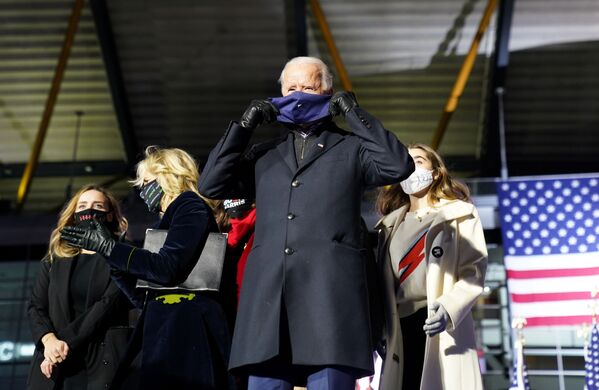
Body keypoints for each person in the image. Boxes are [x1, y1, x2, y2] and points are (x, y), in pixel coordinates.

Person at [198, 56, 414, 390]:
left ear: (327, 91)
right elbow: (211, 184)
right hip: (270, 304)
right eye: (291, 88)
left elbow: (398, 166)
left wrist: (353, 114)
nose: (299, 95)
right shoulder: (264, 153)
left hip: (330, 300)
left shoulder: (352, 147)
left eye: (309, 87)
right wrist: (244, 126)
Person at [61, 146, 235, 390]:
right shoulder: (164, 222)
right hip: (165, 330)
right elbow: (144, 296)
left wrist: (111, 249)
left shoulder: (190, 206)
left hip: (188, 331)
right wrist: (112, 255)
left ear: (168, 175)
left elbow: (167, 268)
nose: (142, 189)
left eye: (146, 181)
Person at [375, 143, 487, 390]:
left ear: (436, 172)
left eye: (418, 160)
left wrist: (449, 308)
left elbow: (474, 271)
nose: (411, 166)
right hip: (399, 327)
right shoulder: (386, 226)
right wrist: (380, 329)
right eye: (405, 161)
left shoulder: (461, 214)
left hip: (440, 321)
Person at [27, 185, 131, 390]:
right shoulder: (55, 257)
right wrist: (48, 340)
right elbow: (35, 306)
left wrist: (61, 345)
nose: (88, 210)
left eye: (97, 206)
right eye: (82, 205)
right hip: (52, 364)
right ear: (74, 215)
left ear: (109, 216)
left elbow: (105, 307)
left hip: (96, 362)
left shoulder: (122, 255)